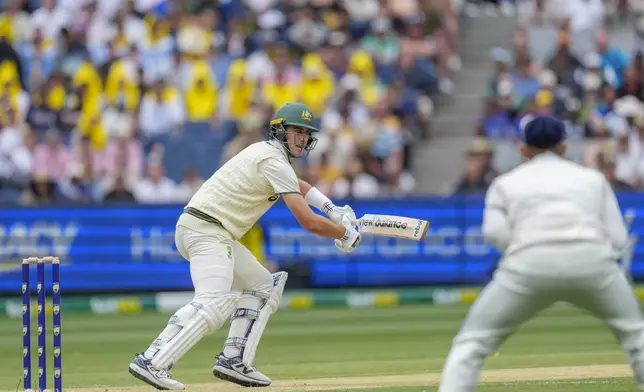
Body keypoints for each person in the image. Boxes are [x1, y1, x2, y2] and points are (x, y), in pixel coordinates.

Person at [128, 102, 361, 390]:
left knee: (264, 285)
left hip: (211, 231)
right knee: (212, 301)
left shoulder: (270, 156)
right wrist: (343, 233)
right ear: (280, 131)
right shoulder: (272, 160)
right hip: (206, 230)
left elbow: (298, 184)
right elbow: (308, 223)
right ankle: (153, 360)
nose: (302, 138)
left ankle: (233, 359)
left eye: (306, 133)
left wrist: (332, 207)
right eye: (296, 131)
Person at [438, 116, 644, 391]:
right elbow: (618, 238)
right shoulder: (592, 179)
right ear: (563, 147)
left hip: (528, 264)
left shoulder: (505, 183)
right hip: (592, 262)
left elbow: (494, 233)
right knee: (636, 338)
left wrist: (526, 249)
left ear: (523, 149)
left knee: (472, 344)